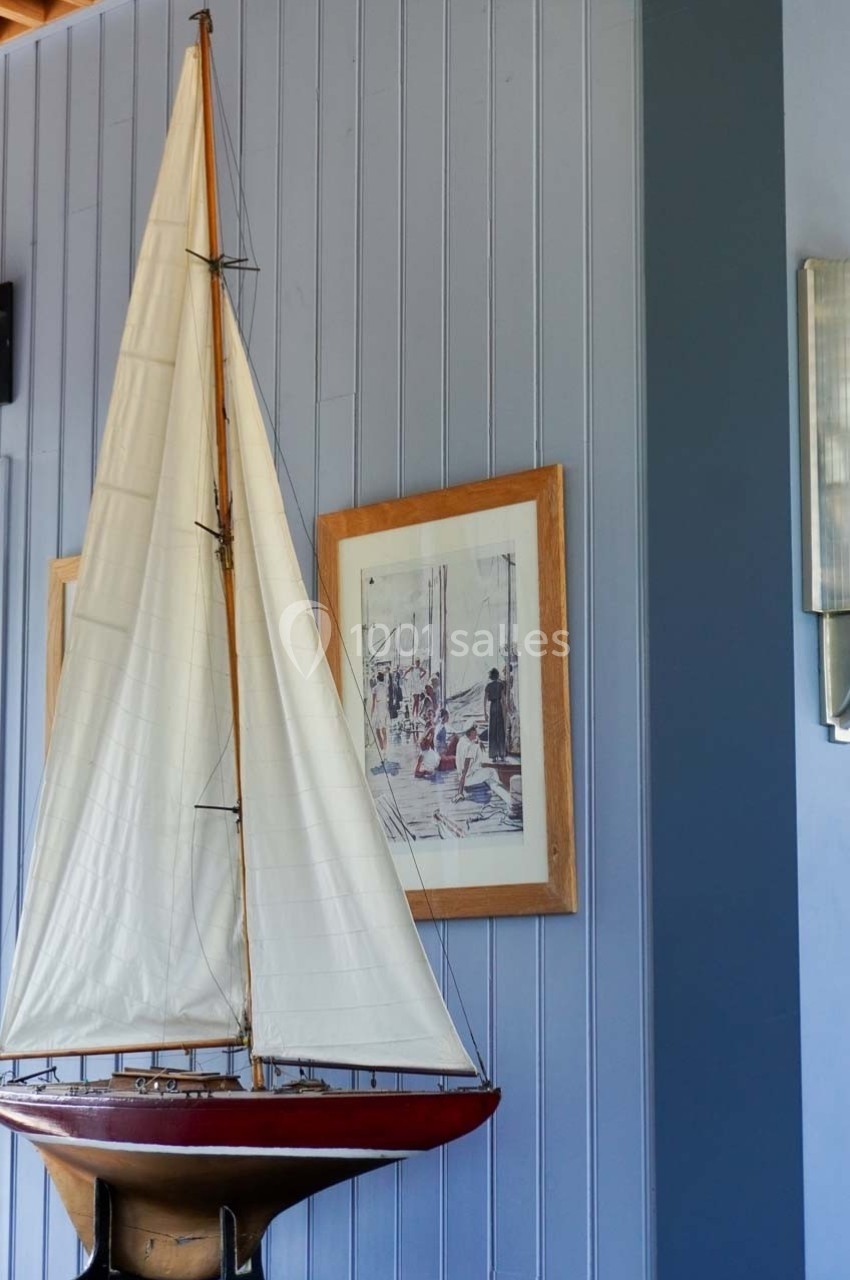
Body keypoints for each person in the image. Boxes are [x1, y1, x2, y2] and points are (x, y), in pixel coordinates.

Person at [454, 722, 490, 799]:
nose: (477, 733)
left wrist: (479, 742)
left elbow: (475, 740)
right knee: (492, 772)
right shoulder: (471, 747)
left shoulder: (462, 740)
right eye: (475, 731)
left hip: (461, 776)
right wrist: (460, 792)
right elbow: (465, 768)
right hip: (467, 779)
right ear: (471, 732)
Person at [484, 667, 507, 760]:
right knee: (500, 730)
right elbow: (503, 699)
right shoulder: (501, 684)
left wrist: (484, 712)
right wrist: (506, 708)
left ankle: (493, 755)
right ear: (497, 675)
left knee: (493, 731)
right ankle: (501, 754)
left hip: (492, 707)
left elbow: (485, 700)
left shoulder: (488, 686)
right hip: (499, 706)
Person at [370, 670, 390, 753]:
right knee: (383, 729)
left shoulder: (375, 688)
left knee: (377, 730)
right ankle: (384, 748)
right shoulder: (386, 687)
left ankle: (382, 746)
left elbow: (373, 702)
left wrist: (371, 713)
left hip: (379, 709)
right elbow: (387, 698)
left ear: (377, 679)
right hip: (385, 708)